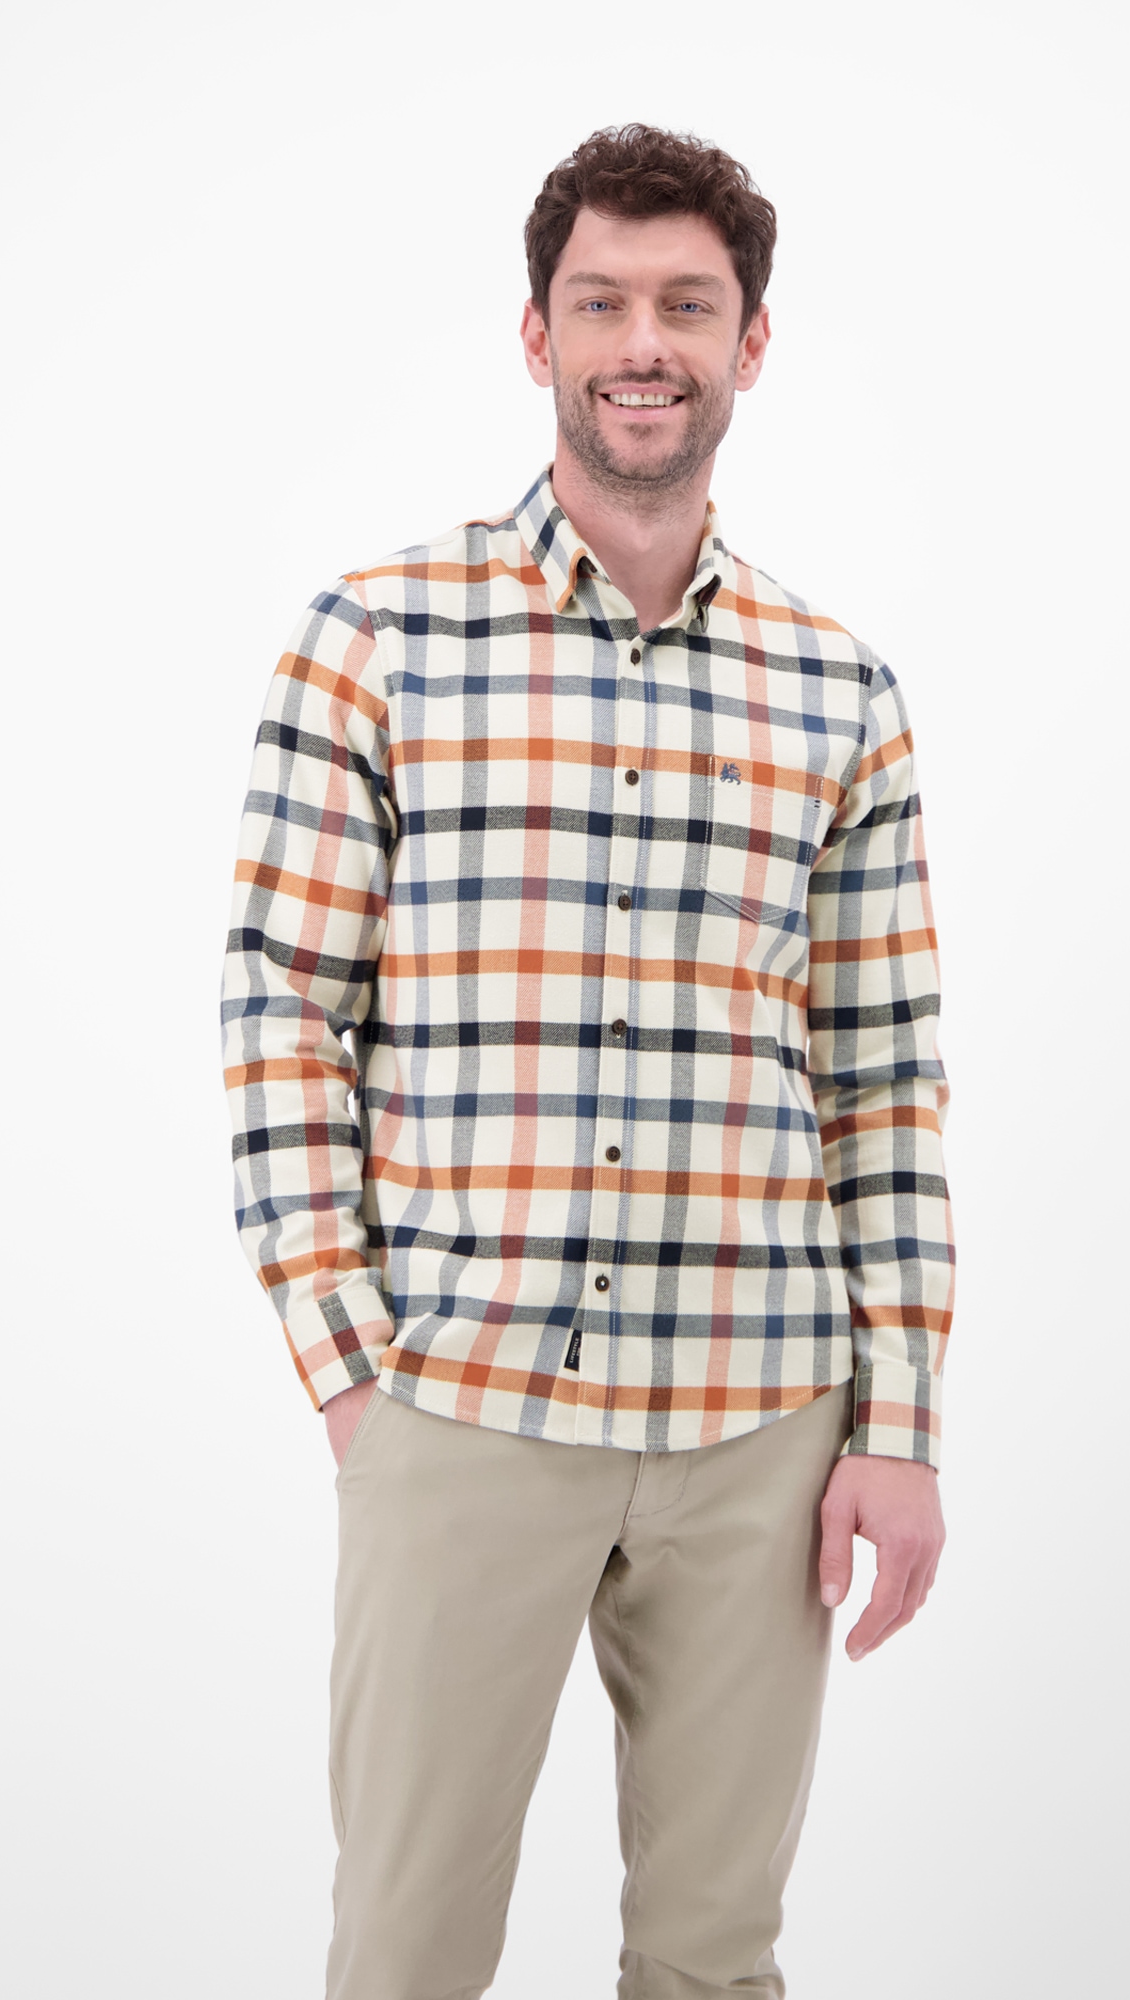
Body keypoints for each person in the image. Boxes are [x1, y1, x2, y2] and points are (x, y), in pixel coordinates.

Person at [222, 122, 954, 2000]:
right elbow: (284, 1010)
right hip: (460, 1401)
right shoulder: (377, 639)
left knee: (714, 1957)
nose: (646, 344)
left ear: (752, 342)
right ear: (536, 333)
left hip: (762, 1420)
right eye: (604, 303)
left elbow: (881, 1078)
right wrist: (355, 1375)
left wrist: (896, 1426)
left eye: (688, 307)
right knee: (405, 1952)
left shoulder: (840, 689)